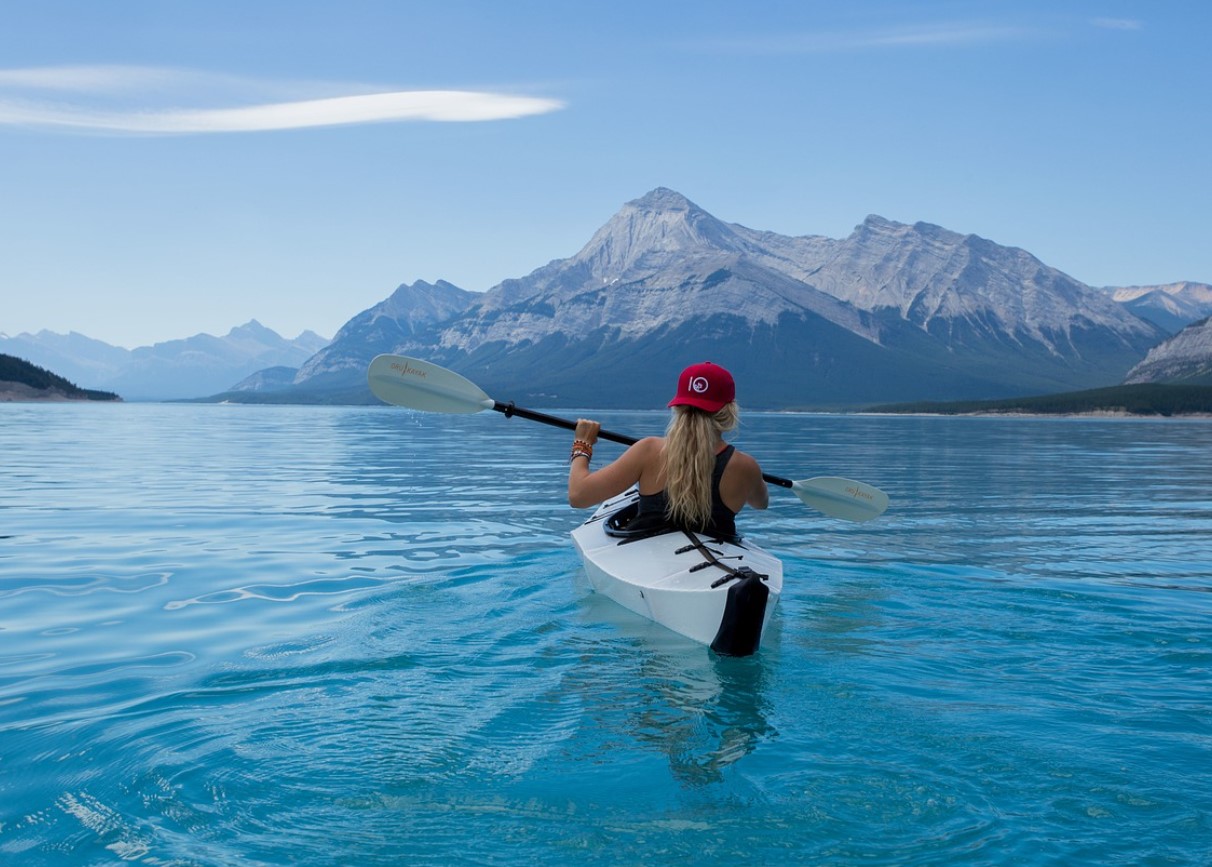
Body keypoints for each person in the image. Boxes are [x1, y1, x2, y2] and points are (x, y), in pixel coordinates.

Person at [567, 361, 768, 540]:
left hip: (647, 556)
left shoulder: (649, 450)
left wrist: (582, 445)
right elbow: (761, 503)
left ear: (678, 407)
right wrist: (752, 478)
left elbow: (578, 496)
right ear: (729, 411)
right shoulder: (745, 466)